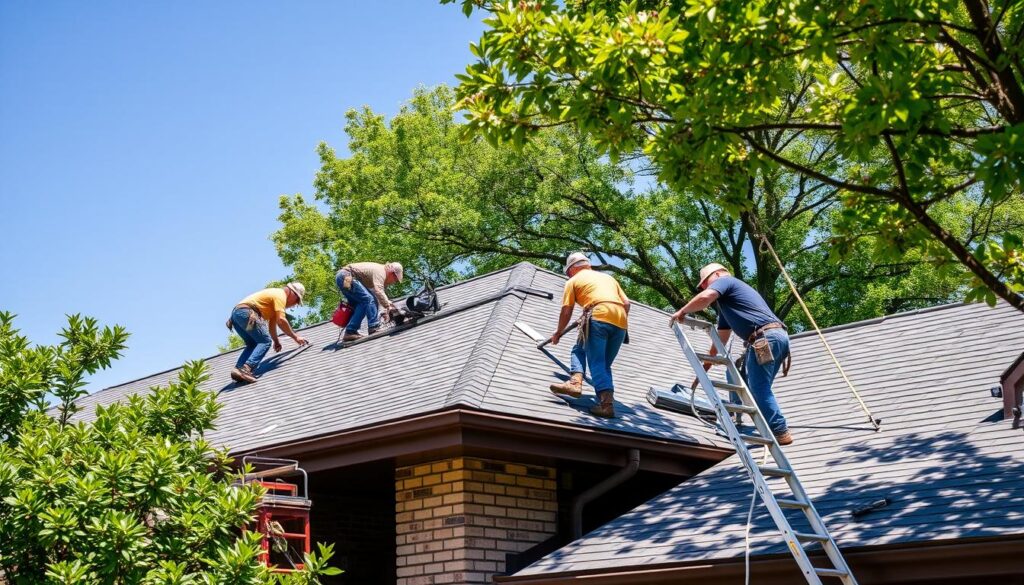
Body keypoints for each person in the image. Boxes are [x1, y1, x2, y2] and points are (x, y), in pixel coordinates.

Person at [670, 263, 793, 445]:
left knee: (758, 388)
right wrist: (705, 367)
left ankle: (780, 431)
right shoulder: (729, 307)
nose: (703, 286)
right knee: (743, 379)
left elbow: (706, 297)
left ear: (718, 274)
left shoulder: (727, 282)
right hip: (776, 337)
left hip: (765, 338)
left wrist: (682, 311)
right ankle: (737, 417)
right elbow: (720, 341)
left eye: (705, 282)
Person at [549, 252, 630, 418]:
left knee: (597, 363)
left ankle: (606, 406)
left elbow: (566, 310)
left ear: (571, 270)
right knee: (583, 349)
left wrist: (558, 332)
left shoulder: (573, 281)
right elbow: (626, 303)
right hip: (620, 321)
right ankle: (575, 382)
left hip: (598, 315)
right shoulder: (609, 279)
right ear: (588, 265)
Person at [227, 282, 309, 384]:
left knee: (253, 344)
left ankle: (238, 369)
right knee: (265, 342)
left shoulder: (275, 300)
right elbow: (281, 320)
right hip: (246, 313)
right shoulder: (280, 295)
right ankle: (246, 369)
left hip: (236, 315)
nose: (295, 304)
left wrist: (276, 341)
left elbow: (273, 324)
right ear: (292, 293)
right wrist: (296, 337)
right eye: (297, 300)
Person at [335, 261, 404, 342]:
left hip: (344, 277)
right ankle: (373, 327)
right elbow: (379, 291)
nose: (394, 282)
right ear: (392, 273)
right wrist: (388, 306)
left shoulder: (382, 274)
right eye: (395, 279)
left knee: (363, 303)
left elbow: (380, 296)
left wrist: (385, 311)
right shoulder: (381, 272)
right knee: (368, 299)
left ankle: (350, 332)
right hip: (346, 276)